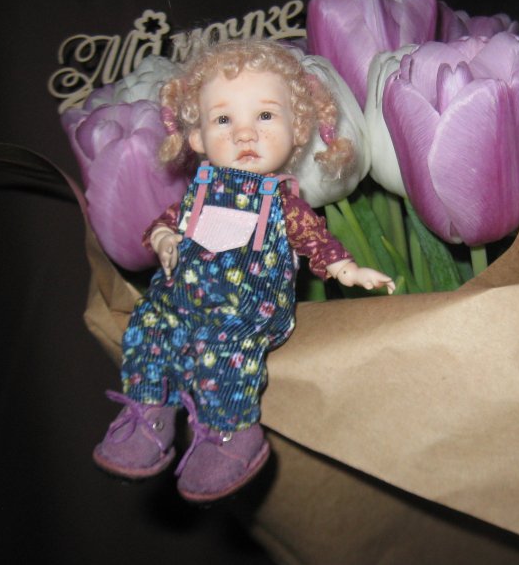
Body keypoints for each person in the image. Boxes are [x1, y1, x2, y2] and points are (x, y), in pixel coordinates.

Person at [93, 39, 394, 503]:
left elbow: (315, 239)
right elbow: (164, 223)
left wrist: (347, 269)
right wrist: (165, 238)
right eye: (223, 120)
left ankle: (230, 430)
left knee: (221, 347)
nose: (245, 134)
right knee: (150, 324)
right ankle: (150, 409)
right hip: (183, 298)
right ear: (197, 138)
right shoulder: (200, 190)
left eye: (265, 116)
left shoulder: (280, 202)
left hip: (250, 307)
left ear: (298, 129)